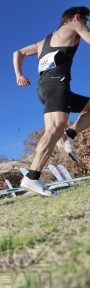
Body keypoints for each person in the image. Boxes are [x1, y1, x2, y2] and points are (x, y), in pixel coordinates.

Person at [13, 6, 90, 196]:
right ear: (77, 17)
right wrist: (83, 28)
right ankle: (31, 177)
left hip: (45, 88)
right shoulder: (76, 25)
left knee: (62, 126)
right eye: (86, 21)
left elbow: (18, 52)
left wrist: (19, 75)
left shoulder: (43, 41)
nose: (86, 25)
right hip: (57, 85)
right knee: (54, 129)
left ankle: (69, 135)